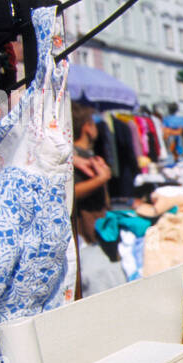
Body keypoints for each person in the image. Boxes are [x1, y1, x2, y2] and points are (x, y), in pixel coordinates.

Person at [71, 101, 126, 296]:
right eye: (93, 122)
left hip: (96, 221)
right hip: (87, 226)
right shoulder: (74, 158)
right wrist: (102, 178)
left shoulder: (85, 156)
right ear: (87, 126)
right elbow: (70, 193)